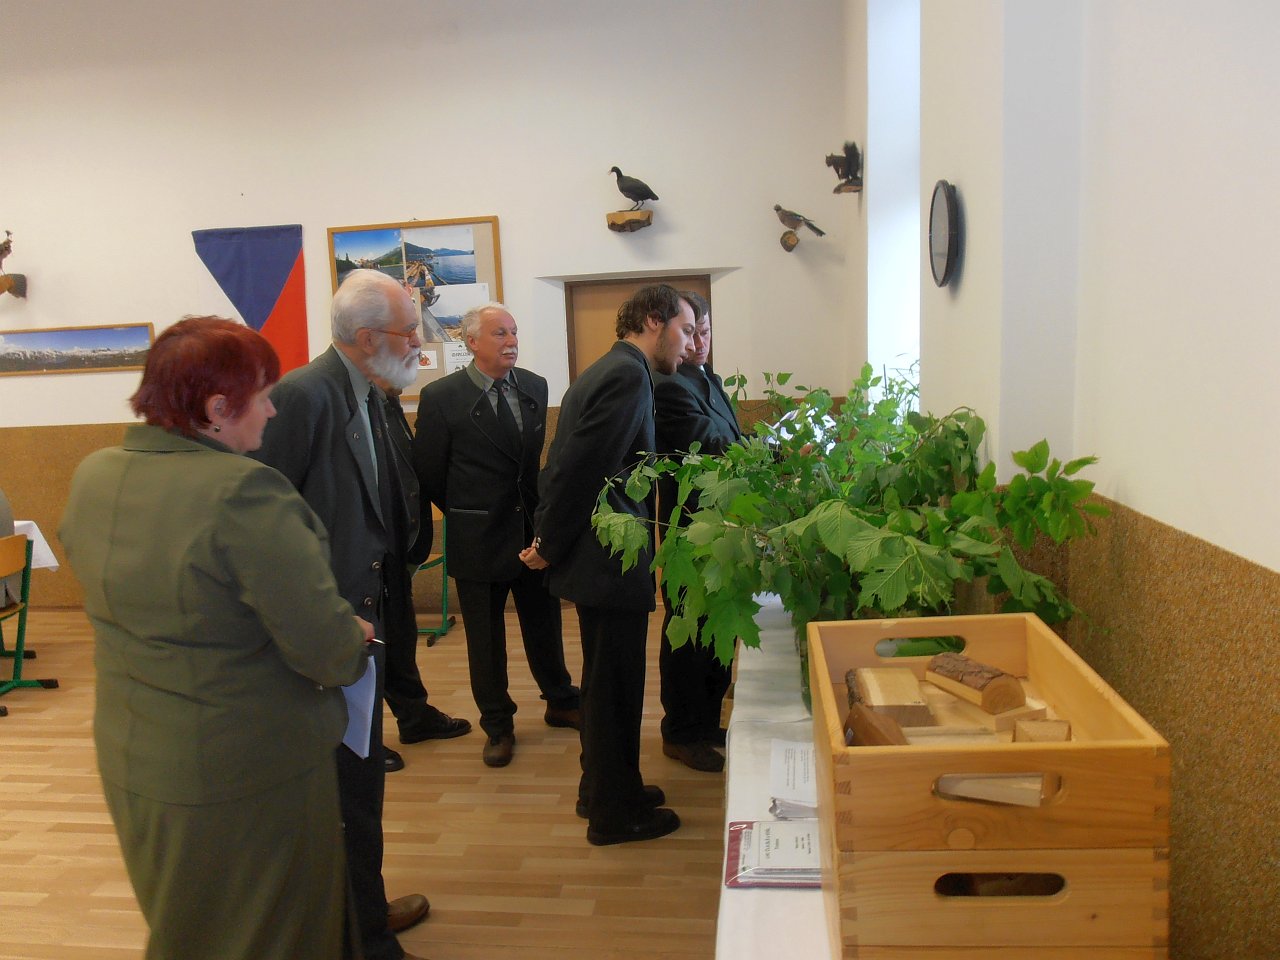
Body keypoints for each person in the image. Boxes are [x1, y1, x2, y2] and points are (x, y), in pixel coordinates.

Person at [58, 316, 373, 960]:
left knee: (187, 925)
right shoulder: (243, 492)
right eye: (263, 396)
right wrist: (353, 633)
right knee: (272, 931)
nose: (272, 410)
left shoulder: (95, 473)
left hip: (135, 752)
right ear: (217, 409)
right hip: (245, 768)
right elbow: (325, 648)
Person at [250, 270, 435, 960]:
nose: (419, 343)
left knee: (358, 786)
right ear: (365, 337)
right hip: (326, 632)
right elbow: (266, 523)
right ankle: (362, 936)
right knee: (343, 792)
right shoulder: (305, 396)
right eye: (408, 331)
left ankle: (363, 909)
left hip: (367, 618)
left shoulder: (370, 391)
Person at [521, 283, 695, 846]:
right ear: (654, 321)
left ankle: (603, 788)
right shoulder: (626, 375)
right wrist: (547, 541)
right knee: (614, 690)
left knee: (604, 686)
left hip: (601, 557)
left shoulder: (614, 368)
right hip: (608, 558)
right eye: (685, 330)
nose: (690, 344)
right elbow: (581, 469)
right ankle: (614, 815)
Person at [413, 303, 580, 768]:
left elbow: (532, 464)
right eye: (499, 333)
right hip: (477, 535)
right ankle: (498, 725)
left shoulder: (534, 386)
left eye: (514, 332)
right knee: (485, 642)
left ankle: (561, 700)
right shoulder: (441, 396)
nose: (511, 341)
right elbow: (429, 473)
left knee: (544, 623)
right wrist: (471, 511)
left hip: (531, 533)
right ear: (471, 342)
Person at [652, 291, 744, 773]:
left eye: (705, 331)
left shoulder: (709, 378)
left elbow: (734, 437)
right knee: (687, 635)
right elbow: (710, 444)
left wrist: (768, 446)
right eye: (692, 332)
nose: (700, 341)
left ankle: (706, 723)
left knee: (716, 632)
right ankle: (681, 731)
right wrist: (772, 453)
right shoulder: (670, 385)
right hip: (690, 528)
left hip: (722, 526)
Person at [376, 377, 472, 775]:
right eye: (406, 347)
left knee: (400, 635)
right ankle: (360, 742)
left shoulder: (388, 401)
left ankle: (414, 717)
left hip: (400, 548)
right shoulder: (347, 403)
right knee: (370, 646)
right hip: (371, 549)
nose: (414, 357)